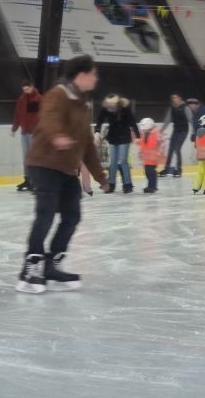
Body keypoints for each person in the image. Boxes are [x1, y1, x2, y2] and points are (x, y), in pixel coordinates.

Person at [17, 54, 109, 293]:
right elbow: (48, 117)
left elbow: (87, 145)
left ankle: (52, 264)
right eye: (94, 74)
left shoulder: (83, 103)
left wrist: (101, 177)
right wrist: (57, 135)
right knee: (46, 214)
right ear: (82, 74)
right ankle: (31, 268)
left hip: (67, 169)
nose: (96, 78)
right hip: (44, 163)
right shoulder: (58, 94)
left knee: (72, 216)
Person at [94, 93, 139, 193]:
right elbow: (100, 120)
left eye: (113, 104)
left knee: (123, 161)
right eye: (109, 104)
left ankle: (127, 184)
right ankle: (111, 184)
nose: (111, 106)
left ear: (117, 102)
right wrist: (97, 131)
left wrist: (137, 135)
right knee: (113, 162)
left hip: (124, 137)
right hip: (113, 137)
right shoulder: (105, 109)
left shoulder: (124, 108)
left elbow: (132, 121)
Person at [11, 80, 41, 191]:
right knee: (26, 158)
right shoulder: (22, 100)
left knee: (34, 157)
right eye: (24, 90)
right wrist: (14, 128)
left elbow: (40, 117)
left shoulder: (38, 99)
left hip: (34, 133)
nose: (26, 91)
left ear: (32, 87)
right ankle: (28, 179)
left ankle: (36, 181)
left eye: (27, 89)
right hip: (24, 132)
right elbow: (17, 115)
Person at [159, 93, 190, 177]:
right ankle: (166, 169)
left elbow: (191, 119)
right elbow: (167, 120)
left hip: (184, 131)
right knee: (170, 149)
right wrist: (161, 131)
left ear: (180, 98)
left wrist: (194, 133)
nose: (174, 99)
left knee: (177, 149)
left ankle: (179, 169)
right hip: (176, 130)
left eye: (176, 98)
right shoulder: (172, 108)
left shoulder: (185, 108)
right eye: (173, 98)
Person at [137, 117, 164, 193]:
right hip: (147, 159)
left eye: (145, 129)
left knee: (151, 172)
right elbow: (142, 144)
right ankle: (151, 185)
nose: (143, 130)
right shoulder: (144, 134)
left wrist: (159, 153)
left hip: (153, 158)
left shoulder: (156, 133)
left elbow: (159, 143)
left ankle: (152, 186)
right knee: (147, 172)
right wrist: (140, 152)